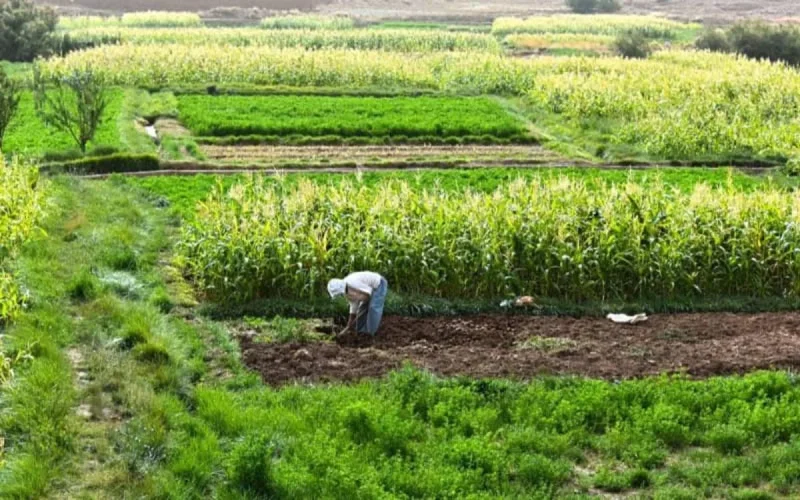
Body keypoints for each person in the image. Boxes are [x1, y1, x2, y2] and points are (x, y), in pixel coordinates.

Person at [327, 271, 388, 336]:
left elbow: (369, 292)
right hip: (367, 293)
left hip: (378, 285)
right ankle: (361, 332)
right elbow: (353, 305)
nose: (340, 295)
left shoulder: (352, 282)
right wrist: (350, 323)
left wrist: (369, 304)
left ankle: (370, 334)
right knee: (361, 310)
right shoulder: (346, 292)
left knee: (373, 308)